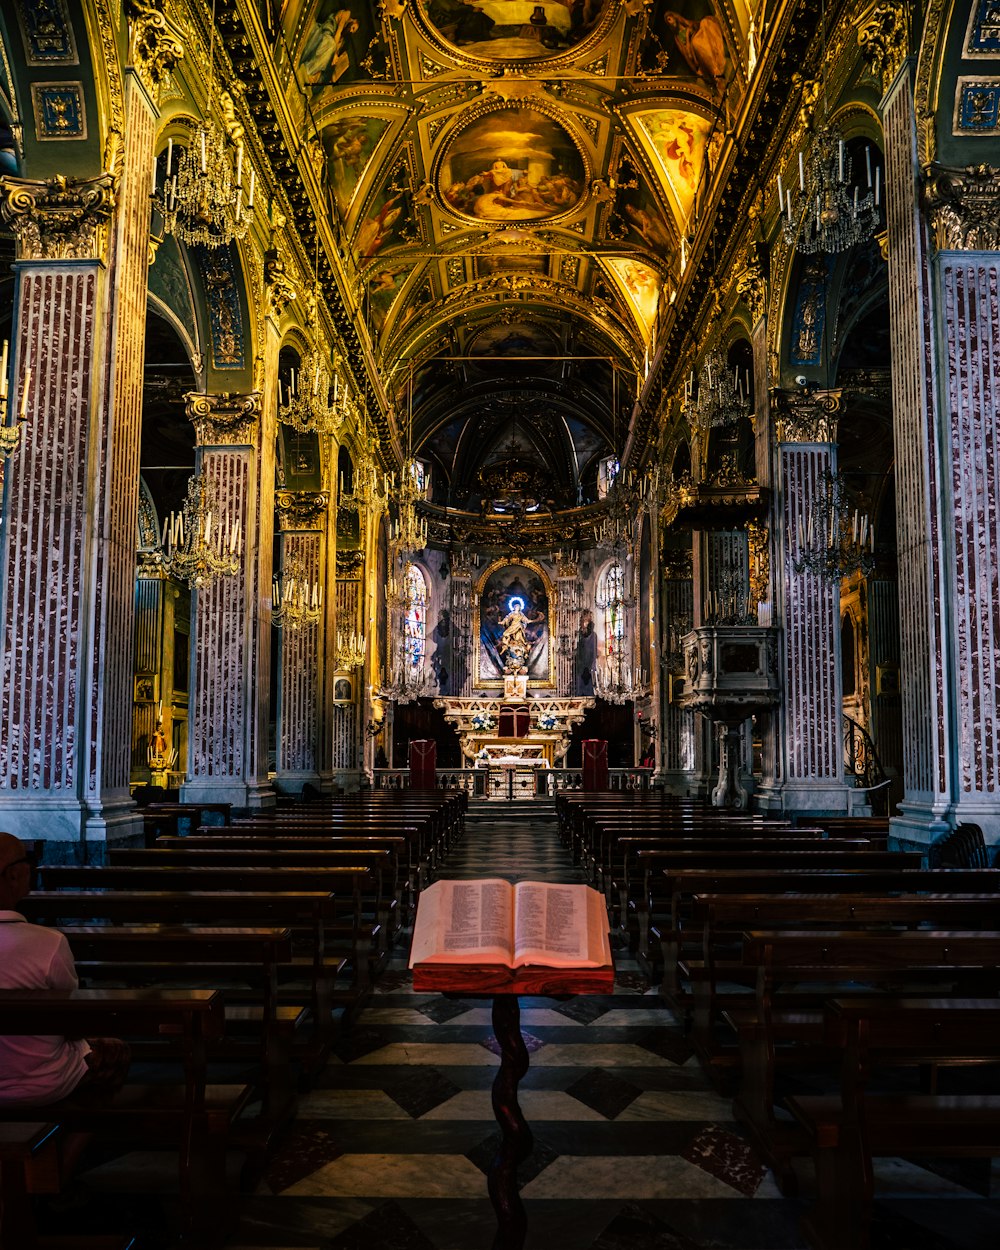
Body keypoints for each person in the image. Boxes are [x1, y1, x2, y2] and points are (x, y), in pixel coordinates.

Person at [0, 832, 130, 1107]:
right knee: (114, 1054)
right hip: (44, 1082)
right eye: (28, 861)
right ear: (13, 876)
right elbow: (71, 1018)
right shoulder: (49, 943)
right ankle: (64, 1150)